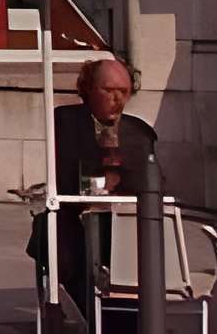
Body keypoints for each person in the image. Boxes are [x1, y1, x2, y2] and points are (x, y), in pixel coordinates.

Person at [29, 56, 157, 331]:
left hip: (125, 223)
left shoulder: (141, 133)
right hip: (76, 218)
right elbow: (65, 176)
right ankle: (100, 318)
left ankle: (122, 319)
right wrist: (104, 180)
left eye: (123, 92)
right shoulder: (65, 122)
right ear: (88, 90)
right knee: (58, 237)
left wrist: (117, 184)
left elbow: (152, 183)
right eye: (108, 90)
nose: (116, 99)